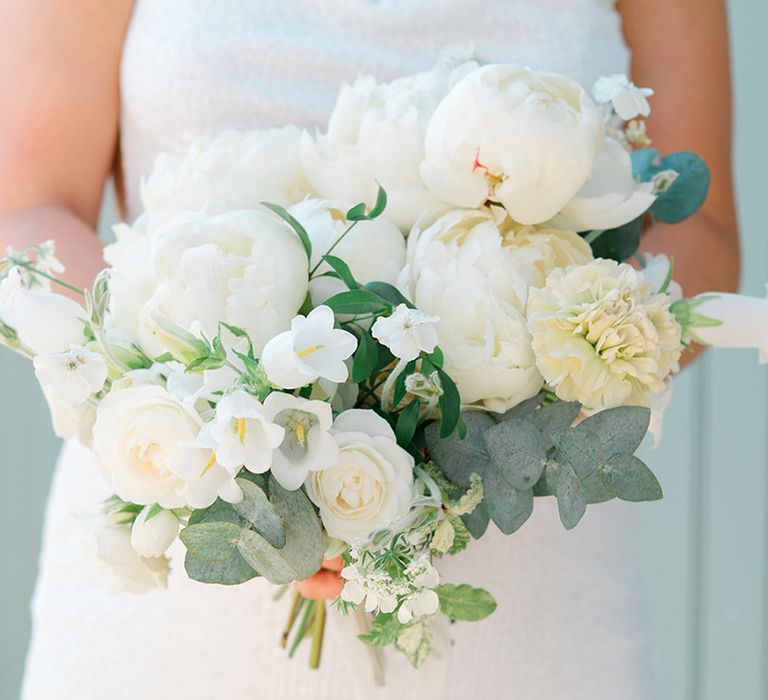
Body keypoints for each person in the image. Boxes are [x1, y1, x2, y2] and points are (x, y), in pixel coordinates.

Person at [0, 1, 739, 698]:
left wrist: (499, 415)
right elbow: (28, 205)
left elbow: (697, 239)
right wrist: (228, 428)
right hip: (173, 579)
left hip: (537, 612)